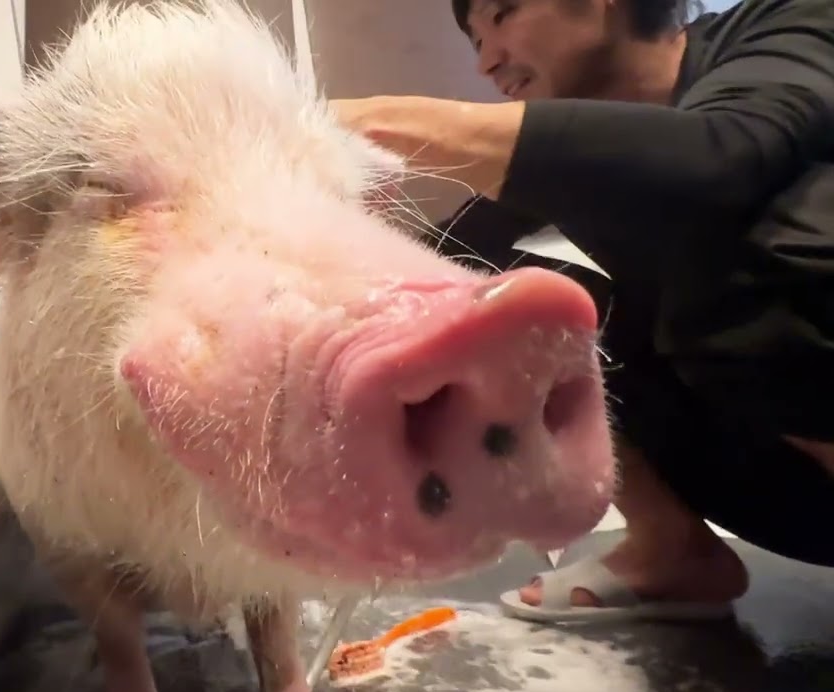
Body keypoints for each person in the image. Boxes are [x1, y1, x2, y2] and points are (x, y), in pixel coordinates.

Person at [331, 0, 834, 624]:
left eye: (503, 14)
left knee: (748, 243)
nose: (487, 60)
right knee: (526, 299)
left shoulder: (792, 23)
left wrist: (380, 122)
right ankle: (671, 548)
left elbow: (720, 156)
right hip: (788, 497)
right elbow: (450, 254)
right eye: (474, 41)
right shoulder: (583, 162)